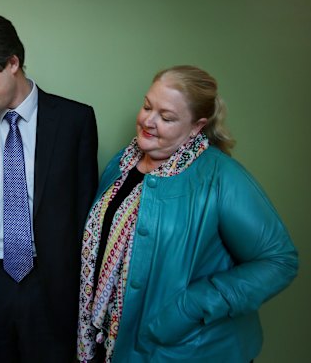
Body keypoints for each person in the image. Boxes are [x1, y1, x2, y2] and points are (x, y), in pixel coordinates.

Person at [77, 65, 298, 363]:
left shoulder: (222, 177)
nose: (148, 121)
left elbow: (279, 260)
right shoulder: (122, 162)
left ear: (197, 126)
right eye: (146, 106)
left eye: (166, 117)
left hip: (187, 350)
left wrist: (190, 307)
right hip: (115, 343)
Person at [0, 8, 99, 362]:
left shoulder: (76, 121)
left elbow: (86, 216)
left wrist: (87, 296)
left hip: (52, 290)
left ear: (12, 62)